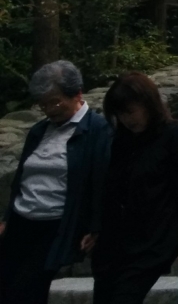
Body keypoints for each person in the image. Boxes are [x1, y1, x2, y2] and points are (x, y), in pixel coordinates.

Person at [0, 61, 111, 304]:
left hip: (55, 224)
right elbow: (22, 176)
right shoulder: (40, 130)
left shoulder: (97, 130)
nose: (50, 110)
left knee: (26, 291)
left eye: (56, 102)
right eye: (43, 105)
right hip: (21, 220)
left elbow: (101, 181)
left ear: (77, 94)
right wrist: (7, 218)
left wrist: (95, 226)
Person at [92, 73, 178, 304]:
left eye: (131, 112)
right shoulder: (122, 139)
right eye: (120, 114)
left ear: (148, 104)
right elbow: (111, 187)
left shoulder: (173, 136)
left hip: (154, 238)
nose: (127, 119)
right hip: (116, 239)